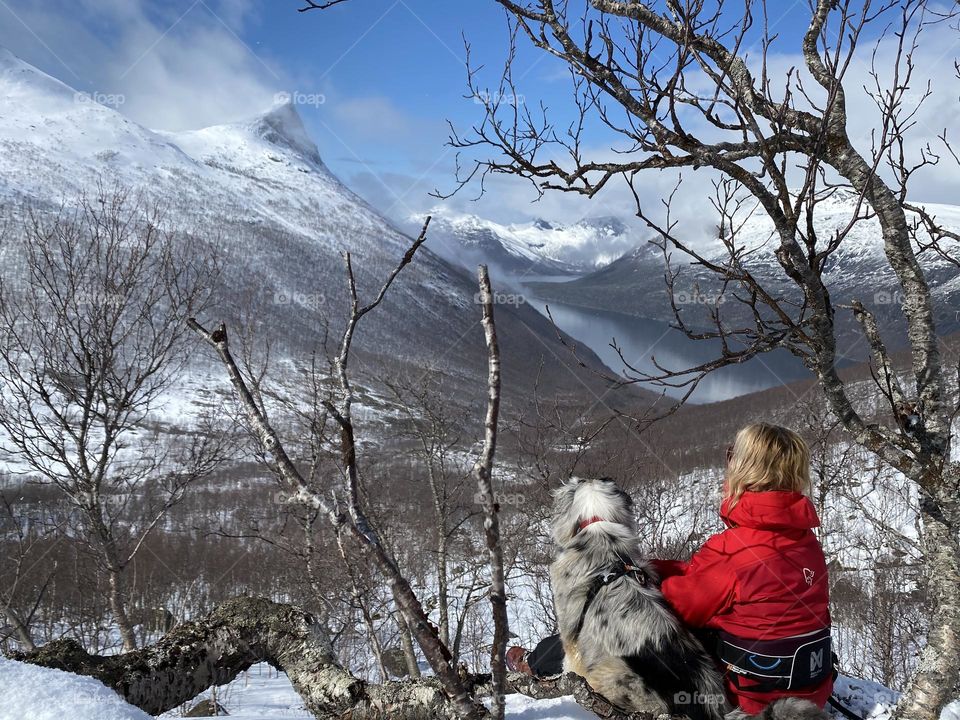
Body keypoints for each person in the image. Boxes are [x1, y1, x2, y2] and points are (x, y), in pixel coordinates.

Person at [507, 423, 833, 715]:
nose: (727, 462)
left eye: (732, 455)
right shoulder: (803, 543)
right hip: (811, 690)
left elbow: (673, 604)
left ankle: (538, 664)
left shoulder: (741, 552)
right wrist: (647, 567)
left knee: (607, 617)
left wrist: (623, 577)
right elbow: (708, 575)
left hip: (751, 699)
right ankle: (539, 659)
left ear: (748, 471)